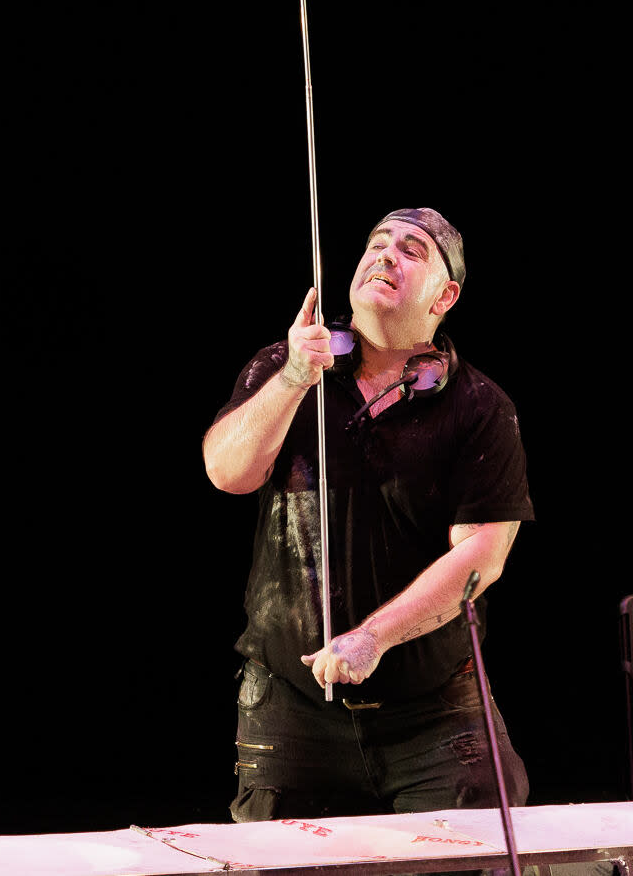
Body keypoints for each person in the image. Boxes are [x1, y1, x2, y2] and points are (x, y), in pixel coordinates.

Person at [202, 207, 534, 820]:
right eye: (376, 244)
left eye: (412, 250)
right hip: (291, 709)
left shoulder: (481, 407)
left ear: (446, 294)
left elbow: (482, 557)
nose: (385, 255)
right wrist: (293, 380)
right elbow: (227, 472)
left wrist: (371, 637)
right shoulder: (288, 365)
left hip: (436, 713)